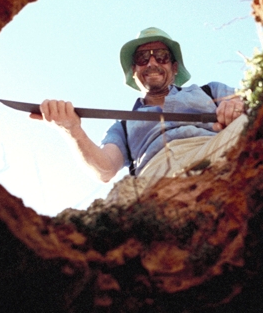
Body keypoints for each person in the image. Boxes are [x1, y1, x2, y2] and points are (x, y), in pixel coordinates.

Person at [30, 27, 247, 191]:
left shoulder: (210, 91)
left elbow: (253, 103)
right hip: (155, 177)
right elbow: (105, 170)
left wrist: (238, 107)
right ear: (134, 72)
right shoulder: (123, 127)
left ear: (174, 67)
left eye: (161, 56)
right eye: (143, 58)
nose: (152, 63)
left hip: (214, 150)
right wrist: (72, 130)